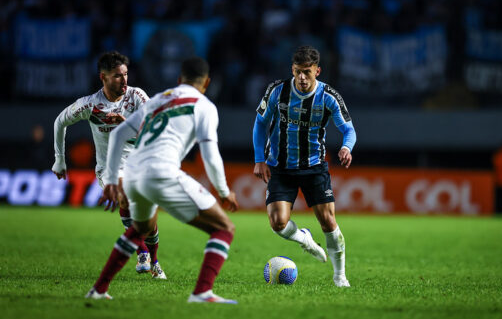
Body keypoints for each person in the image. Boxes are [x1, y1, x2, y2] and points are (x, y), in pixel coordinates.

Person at [86, 56, 240, 303]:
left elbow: (118, 134)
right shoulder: (204, 106)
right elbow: (209, 153)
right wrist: (223, 191)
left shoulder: (158, 99)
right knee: (225, 228)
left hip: (133, 174)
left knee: (140, 229)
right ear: (207, 82)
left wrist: (113, 181)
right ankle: (202, 293)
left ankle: (99, 289)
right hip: (162, 172)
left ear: (179, 80)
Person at [51, 51, 166, 278]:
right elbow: (59, 121)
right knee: (123, 193)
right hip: (110, 169)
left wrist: (126, 124)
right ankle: (141, 251)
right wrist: (60, 159)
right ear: (103, 77)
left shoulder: (137, 97)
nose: (124, 81)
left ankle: (154, 261)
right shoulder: (90, 106)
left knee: (150, 225)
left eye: (125, 75)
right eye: (117, 76)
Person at [252, 46, 356, 287]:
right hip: (280, 166)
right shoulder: (277, 90)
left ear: (317, 71)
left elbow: (348, 129)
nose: (301, 77)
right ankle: (305, 240)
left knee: (328, 222)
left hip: (314, 167)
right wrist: (259, 159)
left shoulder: (329, 96)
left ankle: (339, 276)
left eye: (307, 72)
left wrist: (346, 147)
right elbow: (260, 123)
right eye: (298, 71)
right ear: (292, 69)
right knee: (278, 223)